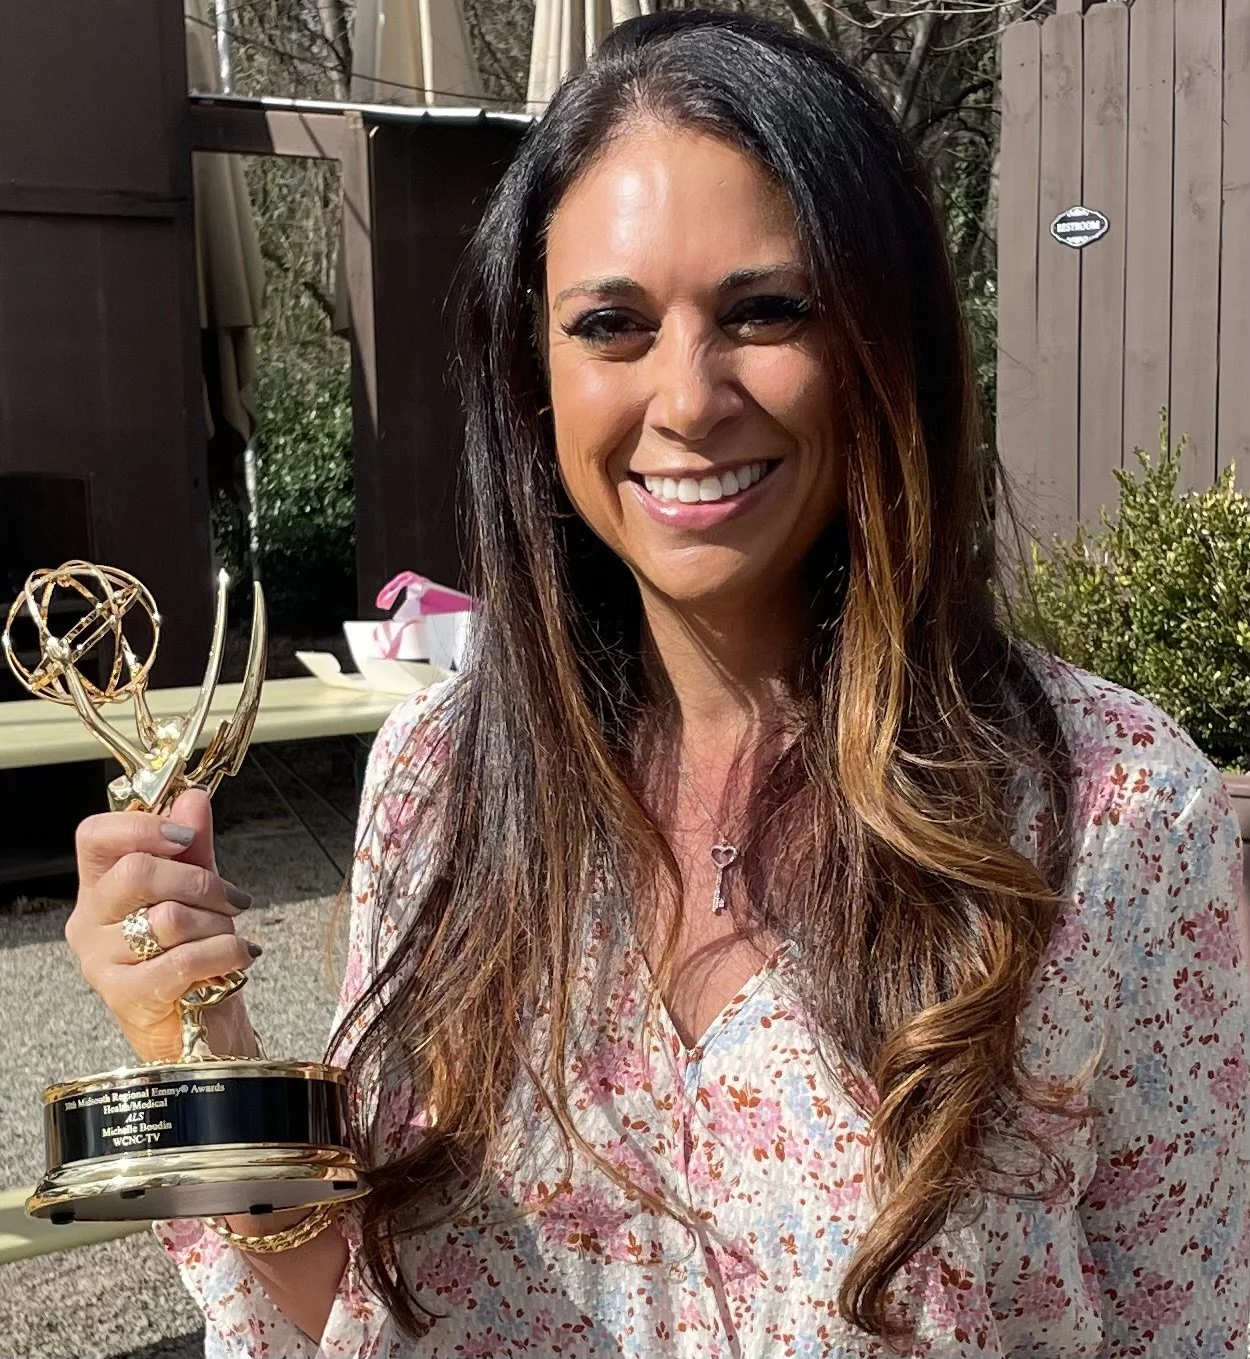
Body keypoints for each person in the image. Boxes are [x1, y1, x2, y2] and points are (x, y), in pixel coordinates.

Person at [66, 10, 1249, 1356]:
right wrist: (194, 1028)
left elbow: (1184, 1321)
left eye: (763, 311)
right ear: (533, 373)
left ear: (885, 344)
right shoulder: (438, 781)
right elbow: (338, 1301)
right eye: (611, 324)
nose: (686, 397)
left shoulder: (1111, 815)